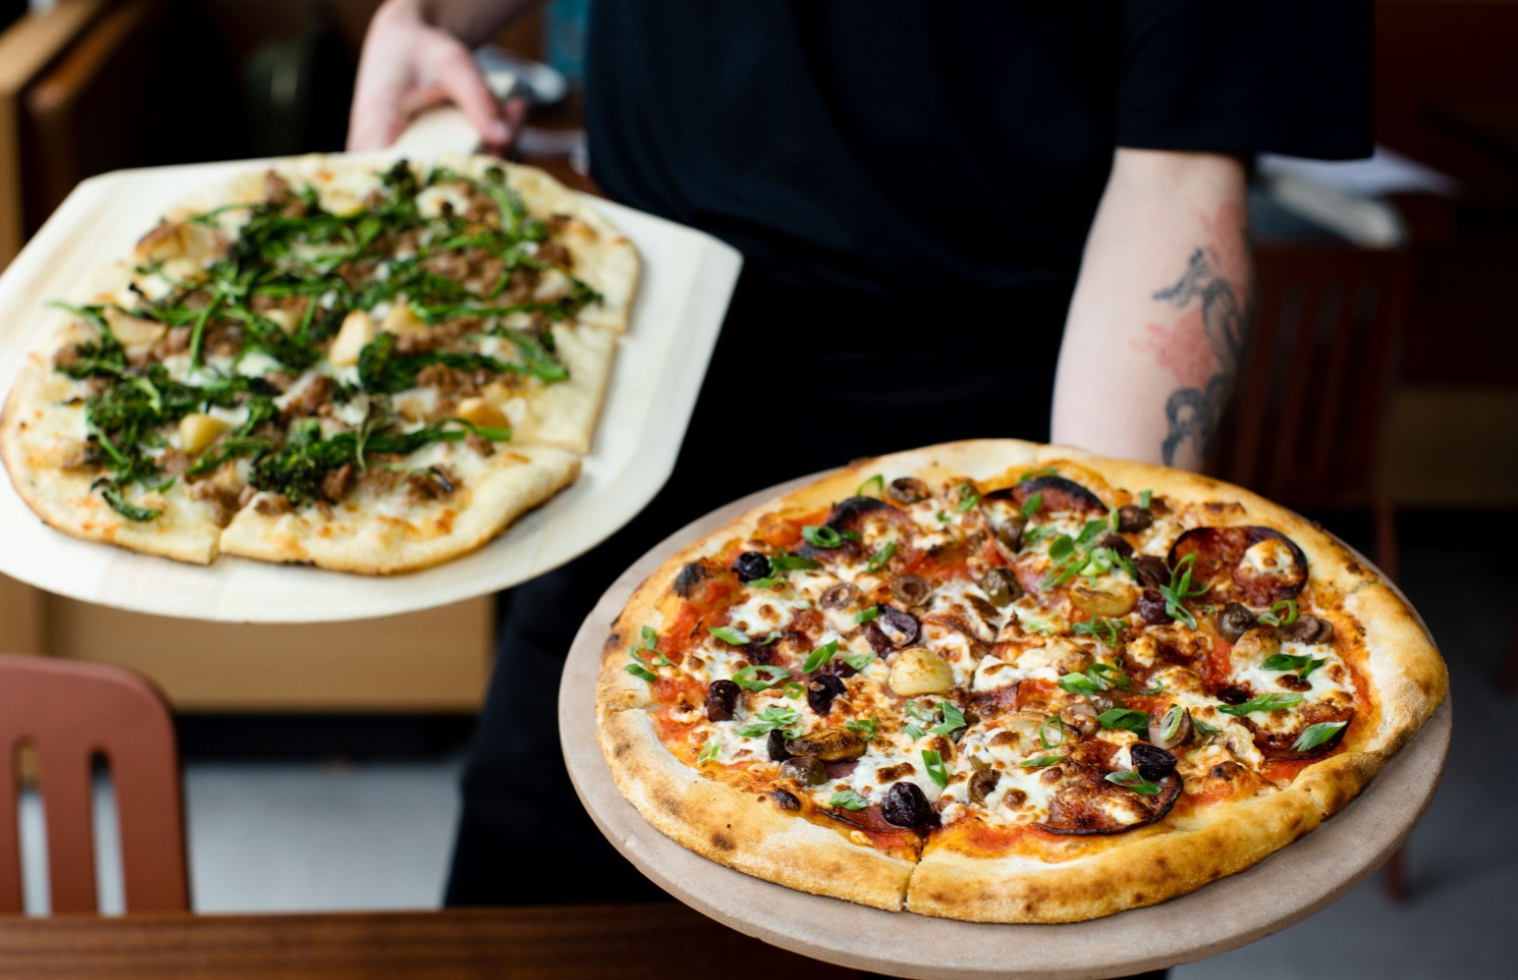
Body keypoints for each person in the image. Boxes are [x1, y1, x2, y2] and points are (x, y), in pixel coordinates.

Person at [349, 0, 1372, 908]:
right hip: (642, 415)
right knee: (529, 901)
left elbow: (1182, 160)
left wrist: (1074, 635)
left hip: (997, 452)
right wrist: (430, 15)